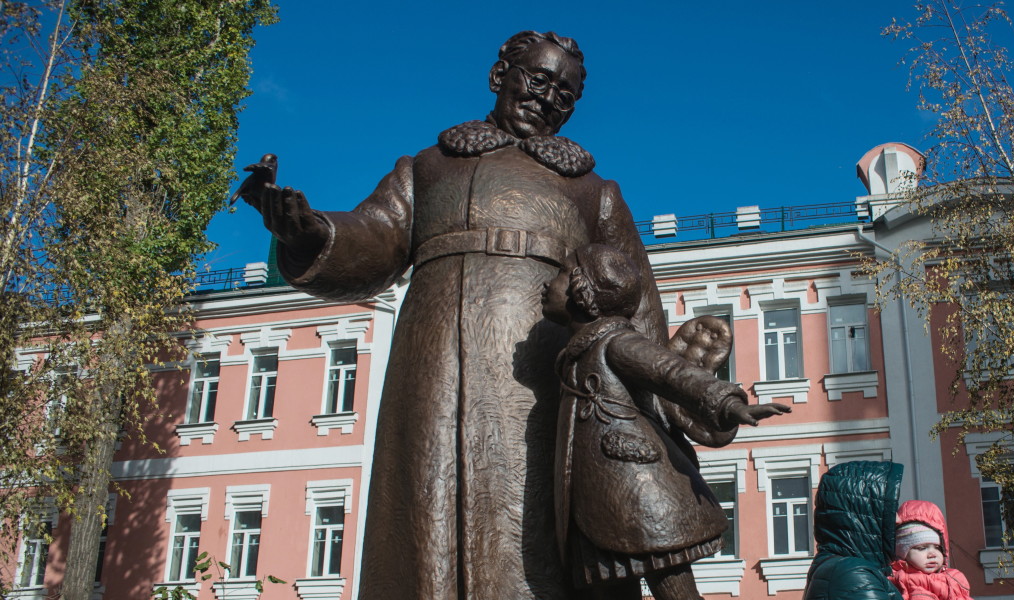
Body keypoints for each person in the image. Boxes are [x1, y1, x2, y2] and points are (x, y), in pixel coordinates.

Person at [239, 30, 694, 600]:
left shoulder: (593, 192)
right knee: (426, 509)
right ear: (498, 75)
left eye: (566, 92)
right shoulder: (429, 168)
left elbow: (635, 303)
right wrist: (309, 231)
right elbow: (376, 236)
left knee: (534, 526)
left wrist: (671, 399)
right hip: (433, 370)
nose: (549, 97)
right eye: (538, 79)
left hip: (543, 382)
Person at [541, 244, 789, 599]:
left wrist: (728, 404)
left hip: (643, 495)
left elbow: (670, 371)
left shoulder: (615, 343)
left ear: (583, 292)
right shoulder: (578, 352)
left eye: (561, 274)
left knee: (675, 591)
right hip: (599, 505)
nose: (548, 284)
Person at [803, 460, 904, 600]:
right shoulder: (852, 573)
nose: (898, 519)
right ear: (864, 512)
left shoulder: (841, 568)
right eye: (889, 512)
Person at [889, 500, 972, 600]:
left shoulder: (955, 580)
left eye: (937, 548)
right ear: (902, 554)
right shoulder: (894, 581)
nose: (932, 554)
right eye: (922, 548)